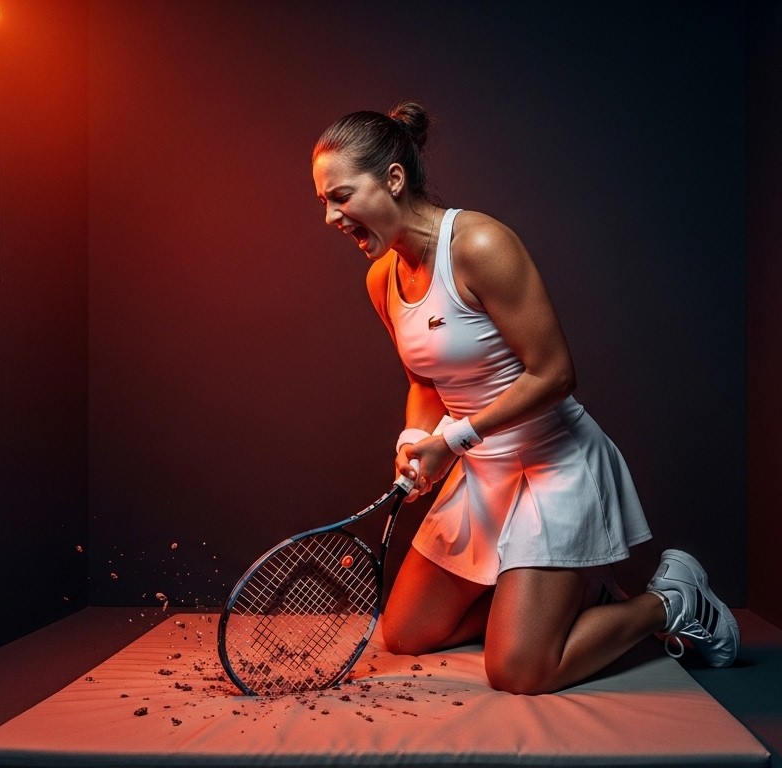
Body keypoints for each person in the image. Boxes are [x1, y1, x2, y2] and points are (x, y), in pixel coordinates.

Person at [311, 101, 739, 694]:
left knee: (518, 671)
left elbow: (556, 373)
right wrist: (416, 439)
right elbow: (424, 380)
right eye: (324, 202)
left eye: (341, 195)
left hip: (554, 466)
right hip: (482, 474)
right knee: (404, 634)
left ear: (392, 178)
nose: (332, 216)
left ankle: (671, 601)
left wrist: (451, 440)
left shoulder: (482, 243)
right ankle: (551, 601)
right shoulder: (381, 278)